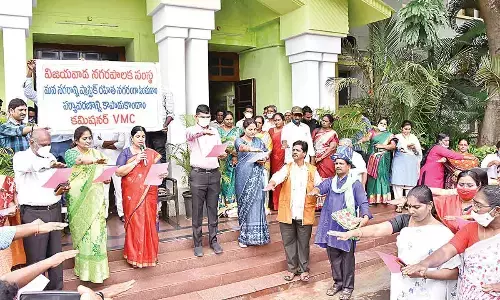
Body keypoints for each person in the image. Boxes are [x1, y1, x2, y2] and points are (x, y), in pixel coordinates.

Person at [330, 185, 460, 300]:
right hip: (403, 285)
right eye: (408, 206)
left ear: (430, 205)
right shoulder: (405, 220)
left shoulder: (444, 234)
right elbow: (377, 229)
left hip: (430, 290)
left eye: (416, 207)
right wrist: (352, 233)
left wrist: (423, 273)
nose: (411, 211)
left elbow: (454, 273)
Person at [403, 185, 500, 299]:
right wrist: (424, 264)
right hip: (467, 294)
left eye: (479, 205)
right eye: (473, 203)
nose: (474, 209)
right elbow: (447, 250)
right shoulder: (470, 229)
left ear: (497, 210)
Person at [311, 146, 372, 300]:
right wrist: (315, 190)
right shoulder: (331, 182)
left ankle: (348, 287)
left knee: (347, 258)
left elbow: (363, 202)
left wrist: (365, 217)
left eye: (341, 163)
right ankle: (337, 283)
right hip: (331, 226)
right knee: (333, 257)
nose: (338, 166)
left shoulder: (355, 184)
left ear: (349, 166)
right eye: (336, 163)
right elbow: (320, 187)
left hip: (347, 227)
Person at [13, 128, 69, 289]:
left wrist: (62, 187)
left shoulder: (49, 156)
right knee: (36, 259)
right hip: (33, 213)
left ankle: (57, 292)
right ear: (31, 142)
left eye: (49, 144)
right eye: (43, 144)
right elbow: (32, 166)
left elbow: (52, 182)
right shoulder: (21, 157)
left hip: (54, 209)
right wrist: (50, 164)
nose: (47, 147)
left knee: (56, 255)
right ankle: (37, 294)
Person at [265, 140, 322, 282]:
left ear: (304, 153)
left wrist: (317, 190)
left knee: (303, 243)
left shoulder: (312, 170)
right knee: (288, 242)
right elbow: (276, 177)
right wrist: (272, 184)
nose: (294, 152)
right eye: (294, 150)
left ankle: (303, 270)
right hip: (287, 211)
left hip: (305, 212)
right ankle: (291, 269)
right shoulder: (287, 167)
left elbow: (320, 185)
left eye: (297, 150)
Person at [64, 126, 110, 283]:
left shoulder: (97, 153)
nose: (88, 141)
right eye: (84, 138)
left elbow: (103, 171)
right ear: (76, 140)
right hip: (78, 200)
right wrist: (96, 161)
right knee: (83, 236)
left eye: (90, 138)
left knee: (97, 235)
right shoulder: (71, 153)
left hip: (96, 199)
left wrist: (106, 178)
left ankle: (98, 272)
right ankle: (83, 271)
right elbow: (78, 161)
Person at [115, 126, 165, 267]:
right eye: (138, 136)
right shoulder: (125, 153)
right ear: (132, 138)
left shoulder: (151, 153)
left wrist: (162, 173)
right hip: (132, 196)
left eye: (143, 136)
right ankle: (134, 257)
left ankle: (149, 256)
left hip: (149, 195)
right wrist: (135, 161)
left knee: (149, 223)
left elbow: (158, 170)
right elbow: (119, 172)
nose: (141, 139)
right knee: (135, 224)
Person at [186, 104, 226, 257]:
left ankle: (214, 240)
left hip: (214, 173)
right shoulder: (191, 130)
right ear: (196, 117)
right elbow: (190, 136)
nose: (205, 119)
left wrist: (221, 154)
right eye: (202, 117)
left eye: (207, 117)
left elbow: (218, 149)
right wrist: (202, 132)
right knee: (197, 210)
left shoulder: (215, 131)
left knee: (213, 209)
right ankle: (197, 243)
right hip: (198, 174)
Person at [23, 59, 74, 163]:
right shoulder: (43, 97)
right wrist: (30, 71)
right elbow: (28, 92)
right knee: (48, 171)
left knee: (67, 173)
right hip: (49, 142)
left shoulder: (73, 97)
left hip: (68, 141)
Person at [234, 118, 270, 248]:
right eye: (250, 129)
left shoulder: (259, 141)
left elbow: (266, 153)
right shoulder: (239, 140)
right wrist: (255, 150)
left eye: (255, 129)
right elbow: (242, 148)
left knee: (258, 201)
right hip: (243, 176)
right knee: (245, 203)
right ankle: (244, 238)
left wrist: (263, 158)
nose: (253, 131)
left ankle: (258, 236)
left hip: (257, 175)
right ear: (244, 129)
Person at [358, 117, 397, 204]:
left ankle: (383, 198)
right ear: (378, 123)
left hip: (383, 158)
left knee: (381, 176)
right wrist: (359, 141)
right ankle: (372, 198)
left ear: (387, 126)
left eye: (384, 124)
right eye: (381, 123)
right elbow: (365, 139)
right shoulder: (372, 132)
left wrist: (383, 146)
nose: (382, 125)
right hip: (372, 158)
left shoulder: (390, 135)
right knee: (372, 176)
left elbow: (393, 146)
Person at [391, 120, 422, 212]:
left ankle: (409, 204)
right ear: (401, 128)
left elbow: (418, 153)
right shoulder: (397, 137)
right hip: (399, 161)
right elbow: (393, 148)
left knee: (410, 184)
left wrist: (414, 148)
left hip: (411, 162)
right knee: (398, 182)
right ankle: (399, 205)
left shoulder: (414, 138)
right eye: (405, 129)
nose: (407, 131)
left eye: (409, 129)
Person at [94, 132, 126, 220]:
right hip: (103, 163)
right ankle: (104, 215)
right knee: (104, 190)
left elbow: (121, 144)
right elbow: (96, 142)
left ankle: (122, 213)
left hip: (117, 162)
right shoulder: (99, 127)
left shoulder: (119, 126)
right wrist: (113, 142)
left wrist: (103, 144)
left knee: (119, 189)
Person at [217, 111, 241, 218]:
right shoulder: (218, 130)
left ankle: (232, 207)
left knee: (232, 181)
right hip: (221, 160)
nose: (229, 121)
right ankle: (221, 207)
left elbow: (241, 144)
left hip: (233, 160)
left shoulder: (238, 130)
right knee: (221, 182)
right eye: (227, 119)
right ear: (223, 119)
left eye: (231, 119)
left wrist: (235, 155)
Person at [312, 114, 339, 179]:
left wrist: (321, 158)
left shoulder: (333, 133)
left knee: (327, 178)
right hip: (315, 158)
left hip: (327, 159)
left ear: (330, 123)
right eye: (323, 120)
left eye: (326, 121)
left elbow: (332, 148)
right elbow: (311, 144)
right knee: (316, 178)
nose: (323, 122)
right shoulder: (316, 131)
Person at [255, 116, 272, 214]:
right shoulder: (250, 135)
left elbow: (269, 148)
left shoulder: (266, 135)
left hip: (264, 163)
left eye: (260, 123)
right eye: (256, 122)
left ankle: (265, 206)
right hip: (253, 164)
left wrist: (263, 158)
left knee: (265, 184)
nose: (257, 124)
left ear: (262, 124)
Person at [268, 113, 286, 211]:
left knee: (283, 178)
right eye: (275, 120)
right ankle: (275, 204)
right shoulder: (270, 131)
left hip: (283, 156)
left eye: (279, 120)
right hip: (273, 157)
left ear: (283, 120)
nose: (277, 122)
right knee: (274, 178)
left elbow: (286, 144)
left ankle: (282, 203)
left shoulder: (286, 130)